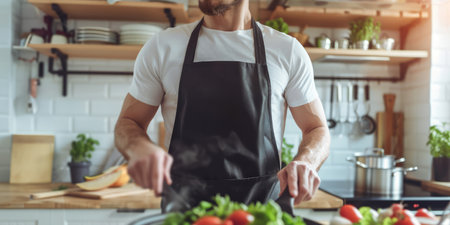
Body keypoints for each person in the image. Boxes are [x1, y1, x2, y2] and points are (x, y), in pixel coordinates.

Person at [114, 0, 330, 213]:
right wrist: (138, 148)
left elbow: (316, 128)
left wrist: (307, 161)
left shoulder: (287, 51)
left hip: (262, 212)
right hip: (183, 211)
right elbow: (129, 122)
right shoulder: (162, 47)